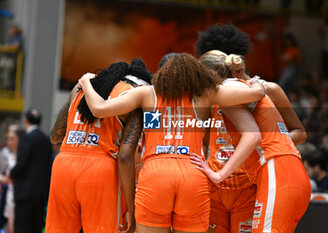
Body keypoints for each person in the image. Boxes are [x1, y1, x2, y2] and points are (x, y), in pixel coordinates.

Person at [79, 53, 265, 233]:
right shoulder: (205, 95)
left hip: (155, 174)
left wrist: (86, 82)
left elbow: (99, 109)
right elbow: (257, 93)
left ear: (160, 73)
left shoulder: (145, 94)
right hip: (193, 172)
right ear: (193, 73)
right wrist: (254, 81)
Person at [192, 50, 311, 233]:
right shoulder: (240, 88)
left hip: (275, 169)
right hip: (283, 169)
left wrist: (218, 175)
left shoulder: (226, 91)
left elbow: (252, 136)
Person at [46, 60, 152, 233]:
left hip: (63, 165)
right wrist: (131, 210)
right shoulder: (131, 96)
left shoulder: (80, 89)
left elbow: (55, 136)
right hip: (99, 169)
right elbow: (125, 156)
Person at [194, 23, 307, 146]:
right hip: (223, 164)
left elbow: (300, 133)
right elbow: (205, 140)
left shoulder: (270, 89)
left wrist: (264, 145)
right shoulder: (211, 96)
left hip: (263, 162)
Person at [10, 108, 52, 233]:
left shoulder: (26, 138)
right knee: (36, 227)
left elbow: (22, 163)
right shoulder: (46, 139)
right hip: (41, 192)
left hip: (25, 192)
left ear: (26, 120)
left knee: (22, 227)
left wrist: (12, 173)